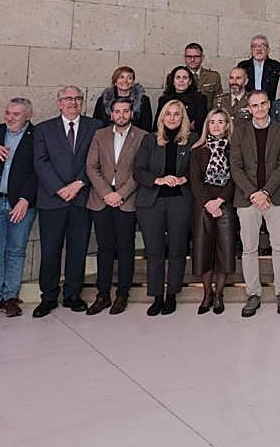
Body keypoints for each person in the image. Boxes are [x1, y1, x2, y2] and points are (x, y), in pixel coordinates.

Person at [32, 86, 100, 318]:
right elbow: (40, 163)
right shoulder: (43, 129)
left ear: (82, 102)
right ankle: (48, 296)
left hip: (81, 198)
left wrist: (78, 184)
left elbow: (95, 160)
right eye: (67, 99)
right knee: (50, 250)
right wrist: (60, 189)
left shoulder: (95, 126)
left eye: (77, 98)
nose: (72, 102)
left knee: (78, 249)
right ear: (59, 103)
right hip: (52, 200)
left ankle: (73, 294)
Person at [230, 90, 280, 316]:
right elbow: (235, 166)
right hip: (247, 199)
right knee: (249, 249)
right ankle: (253, 293)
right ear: (249, 108)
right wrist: (254, 193)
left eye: (263, 104)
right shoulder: (239, 131)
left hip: (274, 197)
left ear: (269, 105)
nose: (259, 109)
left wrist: (265, 191)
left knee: (279, 246)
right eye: (254, 105)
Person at [83, 97, 146, 316]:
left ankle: (122, 294)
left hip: (126, 200)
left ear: (131, 113)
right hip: (101, 200)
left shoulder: (142, 136)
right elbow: (91, 167)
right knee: (104, 248)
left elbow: (141, 170)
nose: (121, 115)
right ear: (111, 114)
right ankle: (102, 295)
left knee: (126, 249)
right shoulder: (100, 135)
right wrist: (106, 193)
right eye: (117, 111)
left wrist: (120, 194)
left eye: (125, 111)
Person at [0, 98, 37, 321]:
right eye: (8, 113)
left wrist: (25, 199)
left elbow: (38, 170)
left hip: (21, 203)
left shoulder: (37, 135)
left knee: (16, 250)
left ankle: (11, 297)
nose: (10, 117)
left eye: (16, 114)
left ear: (28, 116)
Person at [133, 100, 193, 317]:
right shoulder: (149, 140)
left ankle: (171, 295)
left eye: (177, 114)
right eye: (168, 113)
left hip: (180, 202)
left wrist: (184, 178)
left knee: (177, 250)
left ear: (182, 117)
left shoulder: (191, 140)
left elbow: (197, 171)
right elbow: (138, 171)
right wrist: (158, 180)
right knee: (155, 251)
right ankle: (157, 295)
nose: (172, 118)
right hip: (152, 202)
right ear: (162, 117)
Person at [189, 108, 237, 315]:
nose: (216, 126)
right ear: (207, 125)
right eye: (212, 122)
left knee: (224, 250)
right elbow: (195, 180)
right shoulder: (197, 151)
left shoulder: (234, 149)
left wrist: (219, 201)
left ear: (227, 125)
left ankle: (219, 294)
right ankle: (207, 293)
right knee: (203, 249)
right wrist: (209, 202)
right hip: (203, 204)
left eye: (220, 122)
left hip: (225, 202)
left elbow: (236, 178)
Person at [93, 65, 153, 131]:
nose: (125, 81)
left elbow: (146, 126)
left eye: (129, 78)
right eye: (121, 77)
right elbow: (97, 124)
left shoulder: (143, 101)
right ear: (115, 81)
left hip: (135, 139)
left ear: (133, 82)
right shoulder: (103, 101)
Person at [236, 35, 280, 103]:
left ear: (268, 50)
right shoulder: (243, 66)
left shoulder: (276, 66)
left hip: (270, 105)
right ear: (251, 50)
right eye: (255, 46)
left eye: (262, 45)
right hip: (247, 105)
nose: (259, 49)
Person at [156, 65, 206, 130]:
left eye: (185, 78)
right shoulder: (164, 100)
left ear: (190, 81)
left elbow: (199, 125)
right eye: (178, 77)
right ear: (173, 82)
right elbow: (158, 124)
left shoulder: (200, 99)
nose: (181, 80)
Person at [183, 42, 223, 110]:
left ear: (202, 58)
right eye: (189, 56)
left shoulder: (213, 77)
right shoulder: (175, 77)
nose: (192, 60)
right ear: (185, 57)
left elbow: (218, 101)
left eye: (196, 56)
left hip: (207, 117)